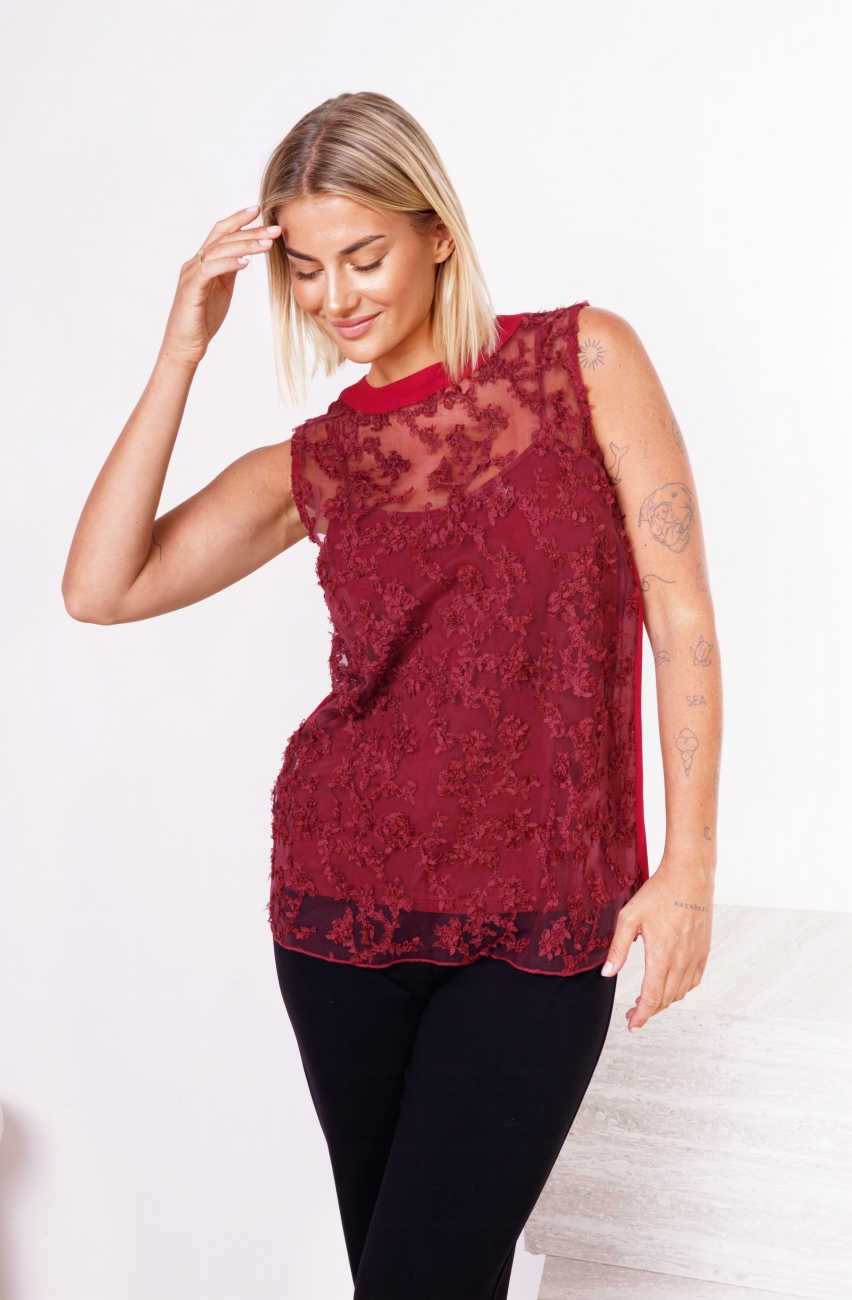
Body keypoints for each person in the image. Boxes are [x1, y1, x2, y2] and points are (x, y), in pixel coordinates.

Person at [63, 92, 721, 1300]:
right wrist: (181, 350)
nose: (335, 296)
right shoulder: (316, 461)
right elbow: (102, 587)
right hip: (340, 909)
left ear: (436, 234)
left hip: (540, 916)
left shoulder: (584, 360)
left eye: (362, 255)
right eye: (305, 270)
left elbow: (680, 617)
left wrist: (685, 869)